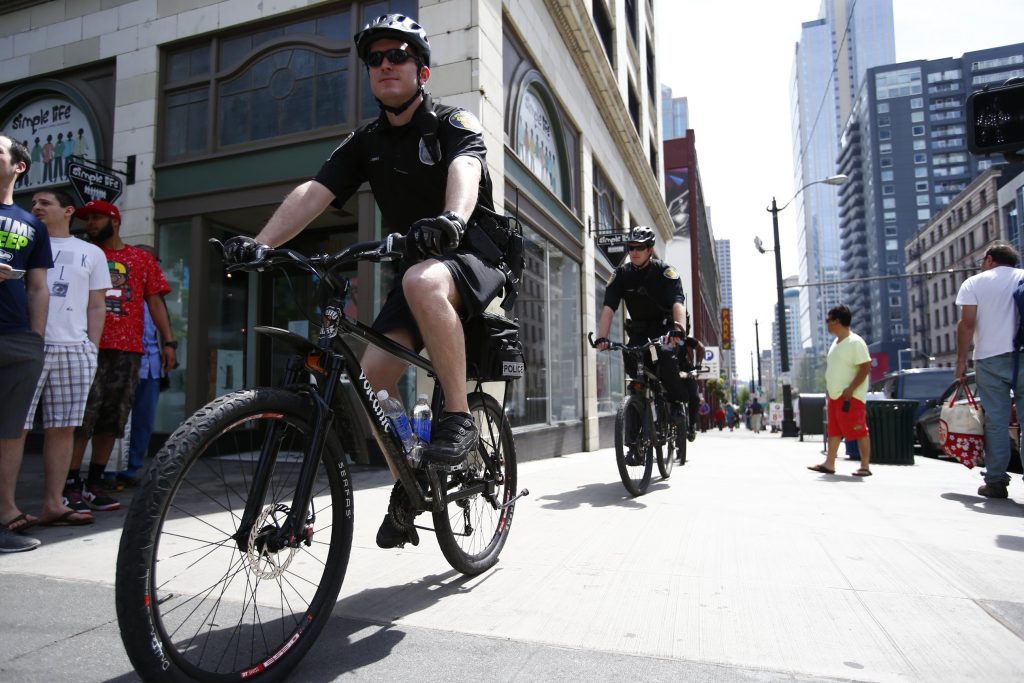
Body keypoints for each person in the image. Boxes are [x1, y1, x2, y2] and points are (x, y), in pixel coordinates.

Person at [222, 14, 511, 550]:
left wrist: (450, 221)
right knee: (368, 388)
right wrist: (263, 244)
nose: (384, 65)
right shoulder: (367, 142)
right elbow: (316, 191)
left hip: (472, 255)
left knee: (422, 280)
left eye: (396, 55)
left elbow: (466, 171)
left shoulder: (453, 122)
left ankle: (455, 417)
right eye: (374, 59)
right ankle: (414, 481)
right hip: (418, 273)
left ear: (422, 70)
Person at [0, 188, 109, 532]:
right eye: (34, 203)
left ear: (68, 211)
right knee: (14, 428)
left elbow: (96, 304)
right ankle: (8, 507)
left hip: (73, 348)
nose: (37, 208)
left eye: (45, 203)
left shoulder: (90, 252)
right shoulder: (26, 236)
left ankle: (53, 503)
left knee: (64, 427)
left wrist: (92, 348)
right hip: (28, 343)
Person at [68, 200, 175, 513]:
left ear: (114, 221)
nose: (89, 224)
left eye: (96, 218)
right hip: (89, 345)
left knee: (112, 419)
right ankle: (71, 483)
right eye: (87, 219)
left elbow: (155, 302)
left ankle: (96, 481)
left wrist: (170, 342)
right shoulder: (84, 254)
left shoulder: (140, 259)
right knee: (82, 419)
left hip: (128, 351)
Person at [0, 135, 52, 552]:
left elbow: (38, 286)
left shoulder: (32, 223)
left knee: (11, 432)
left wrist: (35, 338)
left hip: (19, 339)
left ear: (19, 166)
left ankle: (5, 513)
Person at [595, 225, 689, 420]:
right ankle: (636, 427)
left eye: (639, 247)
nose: (634, 252)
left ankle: (675, 404)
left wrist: (679, 330)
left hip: (664, 329)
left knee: (665, 355)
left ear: (650, 249)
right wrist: (602, 337)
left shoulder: (665, 272)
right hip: (639, 331)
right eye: (631, 247)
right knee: (630, 358)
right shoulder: (621, 274)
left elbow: (677, 303)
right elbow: (609, 307)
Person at [954, 240, 1024, 499]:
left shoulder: (975, 283)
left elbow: (967, 324)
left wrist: (961, 360)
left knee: (996, 422)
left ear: (990, 259)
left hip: (990, 359)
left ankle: (995, 482)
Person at [808, 304, 872, 477]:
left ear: (837, 321)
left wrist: (851, 389)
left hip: (851, 397)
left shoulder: (855, 342)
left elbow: (866, 367)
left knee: (859, 430)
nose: (827, 324)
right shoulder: (835, 344)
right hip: (836, 397)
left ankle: (865, 466)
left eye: (828, 320)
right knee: (834, 431)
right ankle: (829, 463)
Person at [117, 270, 165, 487]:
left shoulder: (157, 302)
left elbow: (163, 333)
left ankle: (131, 469)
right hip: (124, 365)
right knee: (116, 419)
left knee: (143, 421)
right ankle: (108, 471)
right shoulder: (122, 295)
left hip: (152, 367)